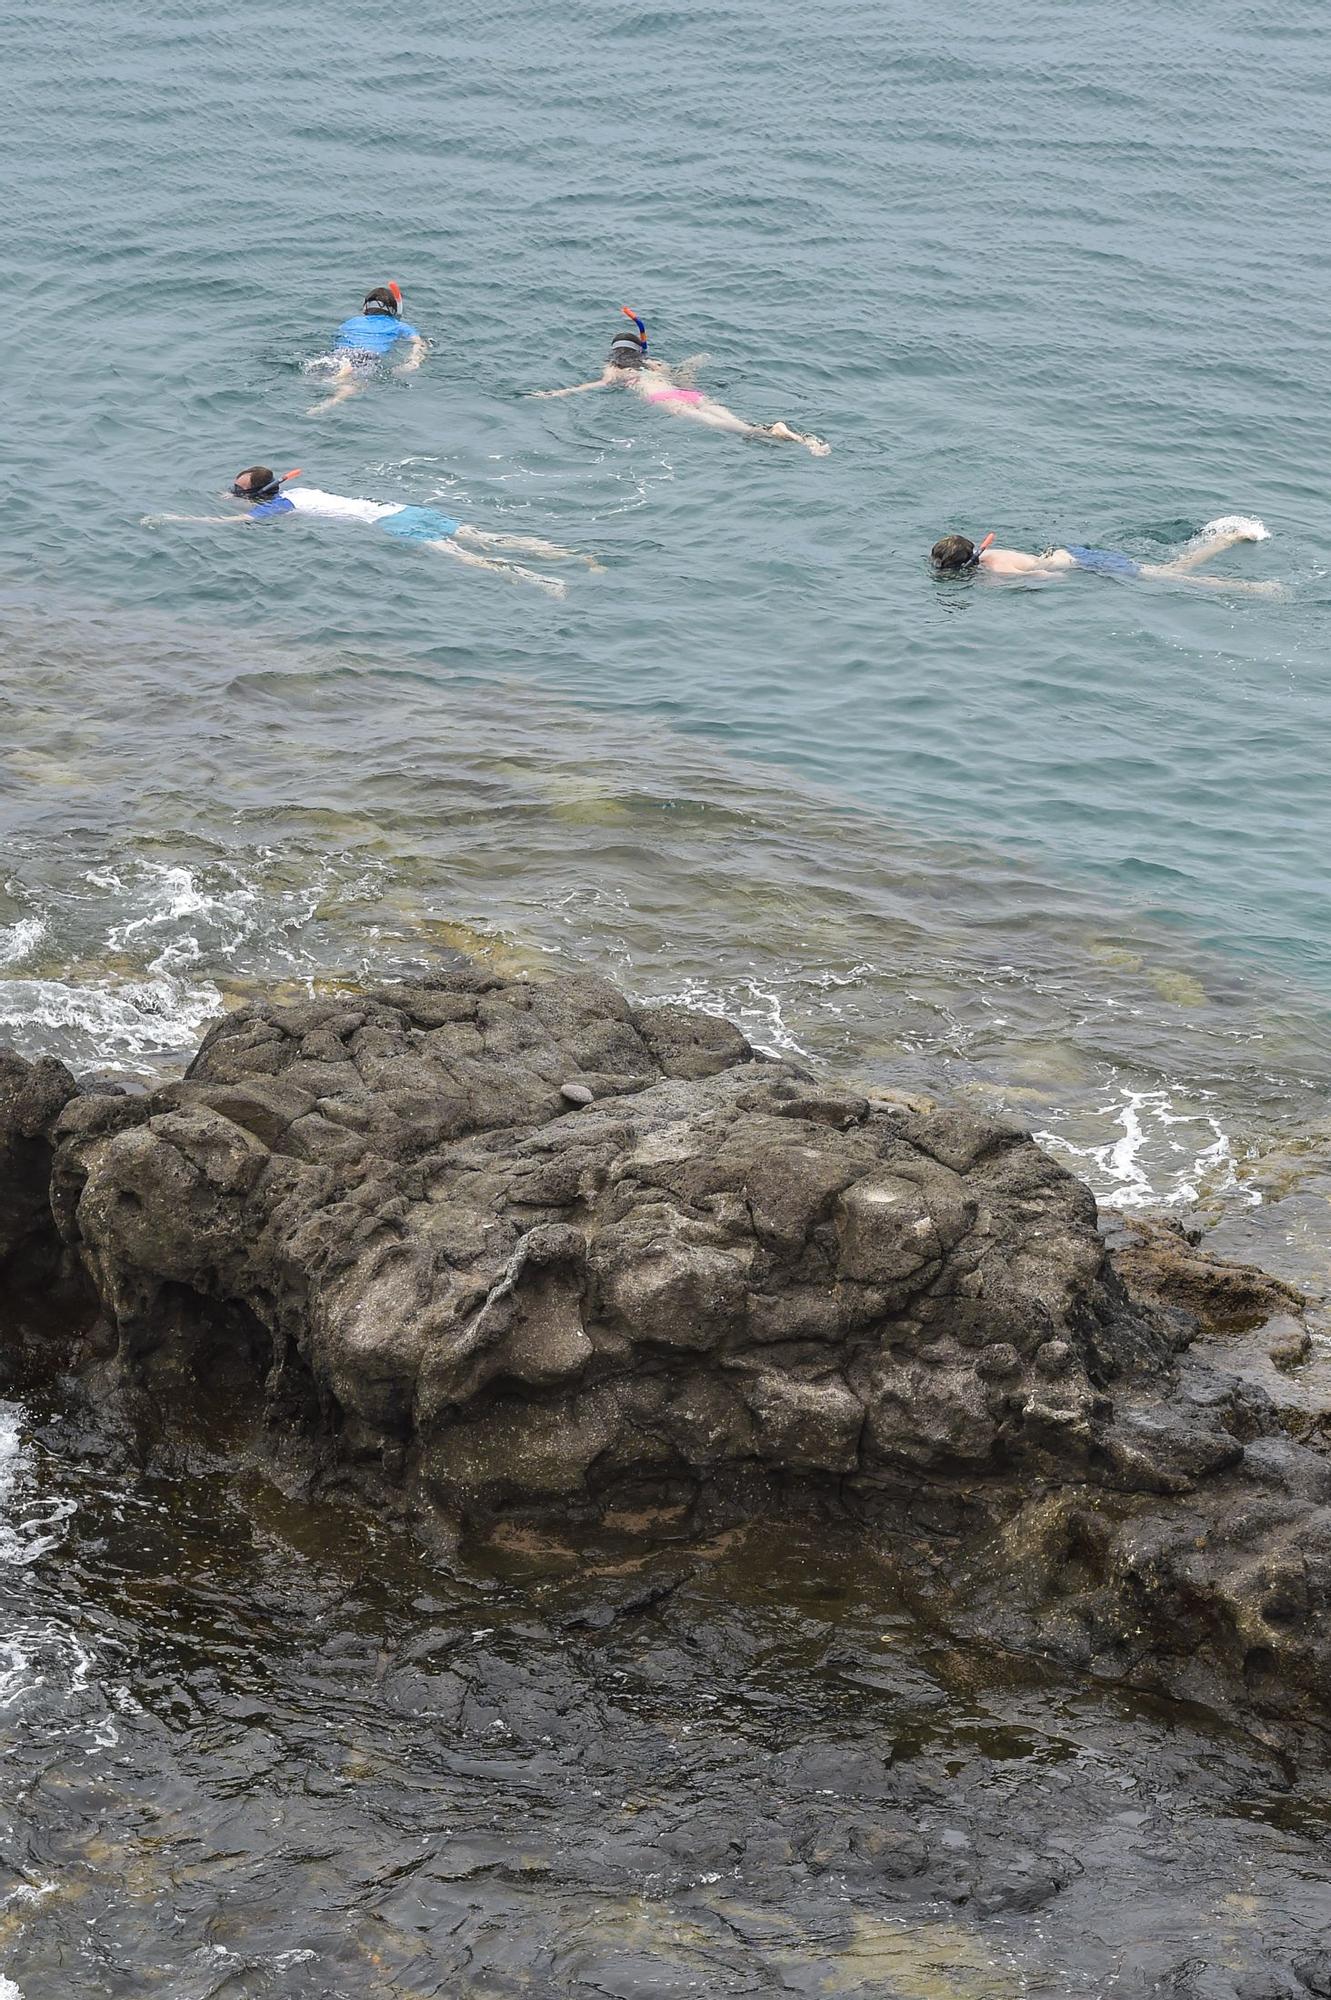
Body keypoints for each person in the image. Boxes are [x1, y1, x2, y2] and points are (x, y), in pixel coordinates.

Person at [145, 467, 599, 597]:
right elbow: (262, 498)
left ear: (256, 495)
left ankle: (545, 582)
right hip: (401, 507)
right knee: (488, 537)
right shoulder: (300, 492)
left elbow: (230, 524)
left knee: (468, 558)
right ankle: (576, 557)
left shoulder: (280, 507)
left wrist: (175, 519)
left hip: (391, 523)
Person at [531, 308, 829, 455]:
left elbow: (597, 385)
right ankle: (798, 439)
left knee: (734, 430)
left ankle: (773, 433)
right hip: (688, 393)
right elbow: (681, 380)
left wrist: (556, 393)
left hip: (666, 401)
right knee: (731, 420)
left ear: (615, 352)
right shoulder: (655, 364)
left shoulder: (616, 368)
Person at [929, 517, 1277, 592]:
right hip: (1072, 554)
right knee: (1170, 569)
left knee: (1174, 574)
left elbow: (1047, 577)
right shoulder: (989, 554)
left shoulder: (998, 569)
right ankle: (1228, 538)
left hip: (1084, 564)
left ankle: (1253, 587)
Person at [305, 283, 427, 417]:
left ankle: (341, 372)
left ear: (365, 308)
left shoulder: (351, 322)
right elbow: (419, 343)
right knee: (354, 386)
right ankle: (333, 400)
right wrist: (413, 361)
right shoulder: (400, 326)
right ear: (393, 311)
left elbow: (337, 339)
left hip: (343, 353)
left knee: (319, 373)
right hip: (368, 356)